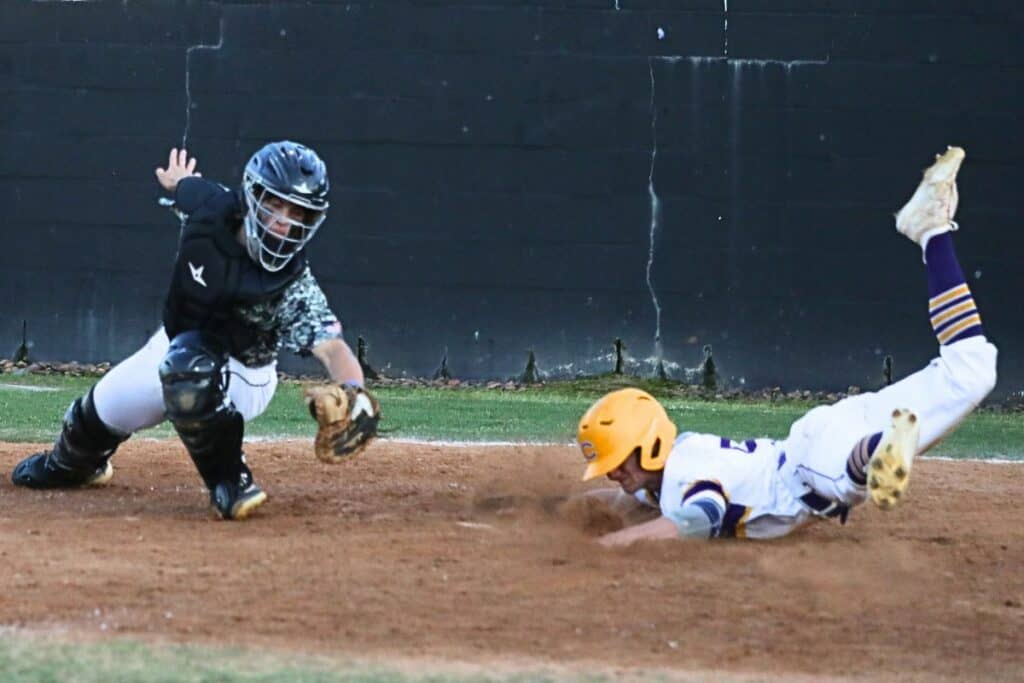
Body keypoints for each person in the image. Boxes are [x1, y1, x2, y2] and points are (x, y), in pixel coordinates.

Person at [574, 147, 997, 544]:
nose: (612, 473)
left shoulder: (685, 473)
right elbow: (634, 499)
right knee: (972, 371)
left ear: (647, 447)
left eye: (617, 461)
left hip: (808, 462)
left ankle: (880, 449)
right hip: (829, 432)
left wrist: (612, 545)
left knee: (840, 479)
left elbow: (697, 520)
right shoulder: (663, 476)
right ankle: (932, 231)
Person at [12, 142, 376, 520]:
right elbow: (186, 187)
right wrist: (176, 180)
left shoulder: (292, 283)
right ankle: (74, 467)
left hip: (243, 374)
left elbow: (333, 349)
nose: (284, 220)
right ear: (251, 197)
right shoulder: (211, 209)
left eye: (297, 212)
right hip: (173, 347)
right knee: (94, 418)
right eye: (274, 204)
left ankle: (230, 482)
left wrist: (352, 393)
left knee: (188, 370)